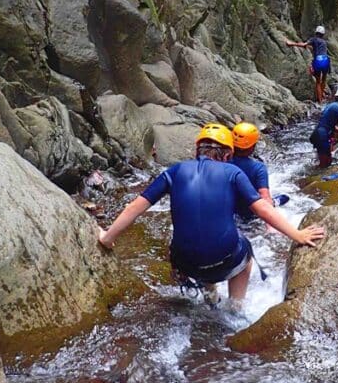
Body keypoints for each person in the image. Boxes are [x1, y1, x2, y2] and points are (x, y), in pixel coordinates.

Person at [97, 123, 324, 307]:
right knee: (245, 253)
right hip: (225, 260)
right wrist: (297, 235)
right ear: (227, 154)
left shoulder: (174, 171)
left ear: (198, 150)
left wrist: (107, 238)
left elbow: (134, 208)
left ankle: (210, 291)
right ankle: (236, 306)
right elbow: (263, 208)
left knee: (182, 243)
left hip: (185, 264)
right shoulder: (232, 171)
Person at [229, 122, 289, 216]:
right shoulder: (258, 168)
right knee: (285, 198)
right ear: (253, 146)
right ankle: (275, 202)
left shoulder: (220, 161)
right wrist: (271, 228)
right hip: (250, 211)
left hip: (228, 209)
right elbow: (264, 196)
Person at [286, 25, 331, 103]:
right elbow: (317, 49)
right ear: (323, 34)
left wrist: (292, 43)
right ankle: (322, 94)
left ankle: (320, 102)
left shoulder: (313, 39)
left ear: (316, 32)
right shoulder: (324, 42)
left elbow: (304, 44)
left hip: (318, 61)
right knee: (323, 79)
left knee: (317, 81)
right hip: (326, 60)